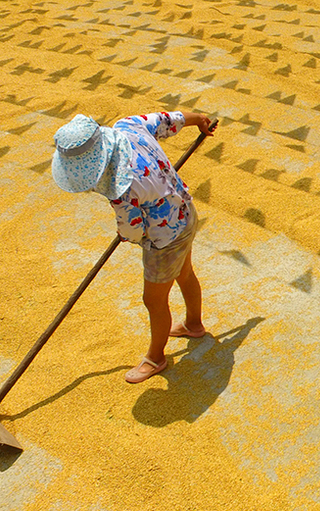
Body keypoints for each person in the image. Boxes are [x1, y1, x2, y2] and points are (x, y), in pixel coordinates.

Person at [51, 110, 216, 383]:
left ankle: (156, 357)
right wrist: (198, 118)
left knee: (153, 300)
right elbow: (168, 120)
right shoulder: (129, 126)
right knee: (184, 274)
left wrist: (131, 237)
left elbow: (132, 229)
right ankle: (193, 325)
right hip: (185, 213)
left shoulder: (121, 188)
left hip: (164, 240)